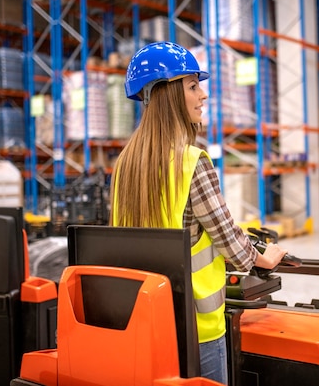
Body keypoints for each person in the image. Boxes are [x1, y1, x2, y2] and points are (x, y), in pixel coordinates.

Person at [108, 41, 288, 384]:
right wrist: (264, 258)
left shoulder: (125, 166)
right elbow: (226, 237)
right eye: (193, 86)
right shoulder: (192, 162)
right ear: (168, 94)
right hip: (196, 325)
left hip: (145, 319)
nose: (202, 96)